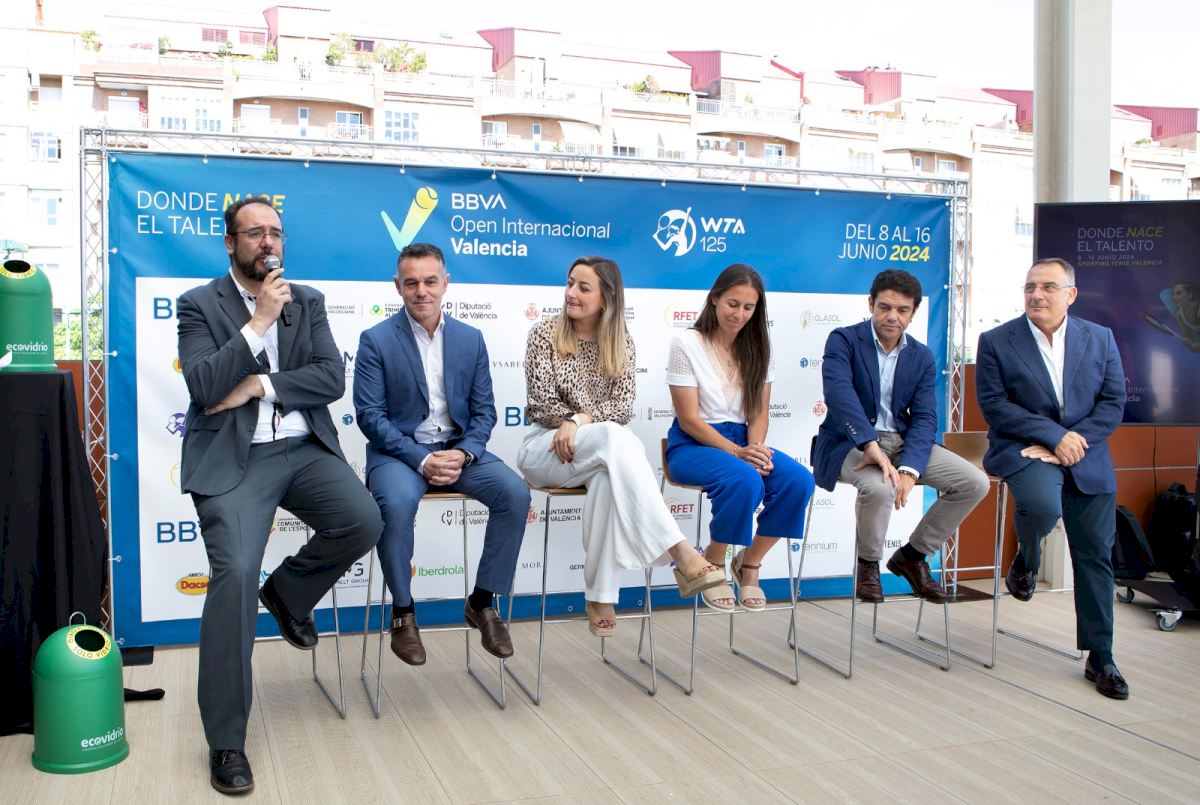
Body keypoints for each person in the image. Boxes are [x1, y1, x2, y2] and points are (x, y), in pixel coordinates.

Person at [177, 197, 382, 795]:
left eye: (275, 232)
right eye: (254, 233)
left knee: (363, 519)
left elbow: (330, 378)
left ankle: (288, 593)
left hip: (303, 448)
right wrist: (258, 323)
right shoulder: (198, 304)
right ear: (230, 243)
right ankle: (226, 741)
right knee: (236, 573)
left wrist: (258, 385)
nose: (268, 243)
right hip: (235, 459)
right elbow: (204, 384)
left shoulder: (308, 300)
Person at [517, 256, 725, 635]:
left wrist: (579, 420)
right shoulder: (544, 334)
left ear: (607, 299)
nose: (571, 293)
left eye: (583, 288)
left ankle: (600, 595)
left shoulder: (621, 343)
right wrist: (576, 422)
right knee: (616, 437)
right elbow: (542, 404)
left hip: (593, 451)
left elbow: (623, 407)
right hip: (544, 449)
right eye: (570, 283)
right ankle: (680, 551)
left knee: (607, 477)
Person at [353, 243, 529, 665]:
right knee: (395, 505)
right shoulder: (376, 340)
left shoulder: (471, 339)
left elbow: (484, 413)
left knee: (515, 494)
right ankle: (403, 612)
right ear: (397, 286)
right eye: (411, 282)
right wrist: (421, 459)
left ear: (445, 283)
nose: (422, 291)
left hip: (457, 451)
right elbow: (370, 416)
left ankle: (482, 602)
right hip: (400, 454)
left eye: (430, 281)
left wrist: (464, 454)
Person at [976, 257, 1129, 699]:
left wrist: (1072, 442)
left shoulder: (1100, 338)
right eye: (1030, 287)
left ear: (1071, 294)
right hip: (1024, 448)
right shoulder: (996, 341)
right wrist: (1052, 436)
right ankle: (1027, 558)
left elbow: (1113, 401)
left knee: (1094, 554)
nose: (1036, 295)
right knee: (1042, 507)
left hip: (1085, 455)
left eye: (1047, 287)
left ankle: (1101, 656)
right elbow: (995, 405)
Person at [813, 269, 989, 604]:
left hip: (903, 443)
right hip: (850, 442)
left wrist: (909, 469)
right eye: (885, 307)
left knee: (974, 483)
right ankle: (868, 565)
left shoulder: (921, 355)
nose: (892, 316)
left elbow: (924, 417)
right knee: (880, 488)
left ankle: (913, 556)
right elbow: (838, 395)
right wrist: (870, 445)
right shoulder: (844, 340)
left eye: (902, 310)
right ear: (871, 304)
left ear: (913, 312)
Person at [664, 264, 815, 610]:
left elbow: (759, 413)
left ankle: (749, 563)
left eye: (749, 307)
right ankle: (712, 564)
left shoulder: (759, 348)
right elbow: (689, 419)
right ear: (715, 299)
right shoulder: (686, 343)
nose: (740, 314)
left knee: (798, 481)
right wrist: (737, 453)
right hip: (693, 443)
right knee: (744, 478)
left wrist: (755, 449)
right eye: (733, 304)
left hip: (744, 441)